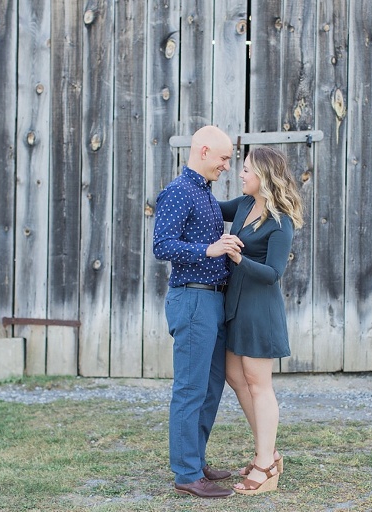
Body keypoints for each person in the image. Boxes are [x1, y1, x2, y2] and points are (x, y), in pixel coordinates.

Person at [153, 125, 244, 499]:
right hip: (192, 300)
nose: (226, 165)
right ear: (204, 151)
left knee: (210, 387)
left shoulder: (204, 193)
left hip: (213, 301)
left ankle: (196, 458)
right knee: (190, 389)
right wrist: (207, 251)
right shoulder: (178, 191)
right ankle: (187, 474)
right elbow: (162, 245)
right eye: (223, 158)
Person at [218, 146, 304, 495]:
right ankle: (268, 452)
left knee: (258, 384)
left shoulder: (280, 221)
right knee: (235, 377)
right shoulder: (241, 205)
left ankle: (266, 465)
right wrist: (192, 179)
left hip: (260, 310)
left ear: (264, 177)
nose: (240, 173)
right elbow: (207, 206)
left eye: (246, 169)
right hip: (235, 304)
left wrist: (238, 258)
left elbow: (273, 273)